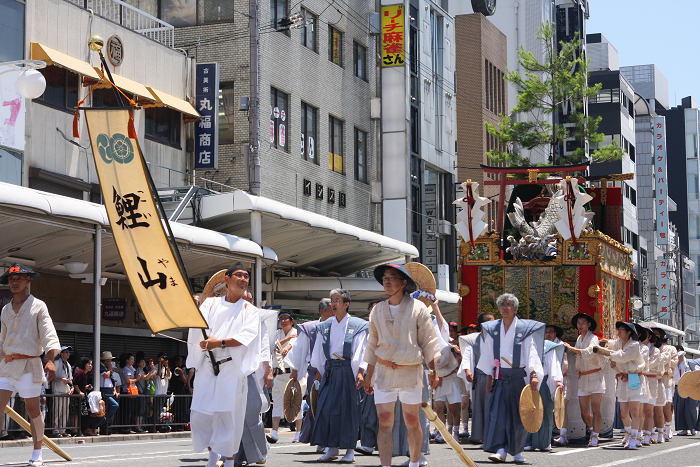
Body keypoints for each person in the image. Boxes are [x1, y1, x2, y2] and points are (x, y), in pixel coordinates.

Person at [364, 263, 441, 467]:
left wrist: (433, 371)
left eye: (392, 277)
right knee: (384, 423)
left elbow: (429, 342)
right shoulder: (377, 310)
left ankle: (415, 463)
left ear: (403, 283)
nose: (387, 281)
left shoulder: (418, 309)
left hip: (410, 371)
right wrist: (368, 375)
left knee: (412, 421)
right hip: (383, 372)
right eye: (385, 278)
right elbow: (372, 344)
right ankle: (386, 465)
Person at [187, 262, 261, 467]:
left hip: (231, 367)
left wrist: (217, 342)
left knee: (228, 416)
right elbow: (197, 328)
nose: (244, 279)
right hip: (208, 366)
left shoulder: (250, 310)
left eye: (246, 276)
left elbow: (246, 337)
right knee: (201, 414)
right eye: (239, 275)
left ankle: (228, 461)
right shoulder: (210, 304)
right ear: (226, 280)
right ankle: (212, 455)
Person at [0, 263, 61, 466]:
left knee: (33, 410)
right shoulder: (5, 309)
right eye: (11, 279)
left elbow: (48, 334)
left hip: (29, 364)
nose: (14, 282)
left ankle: (37, 453)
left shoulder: (38, 306)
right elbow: (2, 341)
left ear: (28, 281)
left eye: (19, 279)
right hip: (7, 364)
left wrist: (51, 360)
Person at [477, 294, 544, 464]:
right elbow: (488, 356)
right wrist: (489, 380)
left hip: (518, 379)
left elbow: (531, 354)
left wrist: (534, 375)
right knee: (498, 415)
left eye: (509, 305)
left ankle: (517, 450)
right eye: (502, 305)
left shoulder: (524, 329)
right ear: (499, 308)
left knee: (518, 416)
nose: (505, 307)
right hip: (500, 377)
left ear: (515, 309)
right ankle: (500, 450)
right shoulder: (493, 330)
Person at [310, 289, 368, 463]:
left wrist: (360, 372)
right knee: (326, 409)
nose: (333, 304)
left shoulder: (358, 325)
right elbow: (319, 352)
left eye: (337, 300)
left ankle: (350, 450)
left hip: (347, 369)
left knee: (348, 411)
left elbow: (361, 349)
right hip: (330, 370)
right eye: (332, 301)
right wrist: (319, 372)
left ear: (346, 304)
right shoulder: (325, 326)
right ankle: (332, 448)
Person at [286, 298, 334, 449]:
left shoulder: (340, 326)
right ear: (322, 311)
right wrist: (295, 372)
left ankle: (331, 440)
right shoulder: (310, 327)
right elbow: (300, 352)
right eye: (331, 309)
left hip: (336, 370)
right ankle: (320, 439)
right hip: (315, 373)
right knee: (316, 406)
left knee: (333, 407)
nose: (334, 312)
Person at [234, 290, 273, 466]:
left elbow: (265, 345)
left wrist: (268, 370)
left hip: (252, 371)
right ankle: (236, 455)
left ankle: (260, 451)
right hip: (232, 370)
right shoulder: (230, 316)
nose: (246, 302)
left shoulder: (258, 317)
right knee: (234, 416)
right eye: (243, 299)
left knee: (250, 413)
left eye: (249, 299)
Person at [595, 322, 646, 450]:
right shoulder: (617, 343)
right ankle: (629, 433)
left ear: (629, 332)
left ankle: (635, 438)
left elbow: (623, 357)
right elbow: (610, 343)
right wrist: (603, 341)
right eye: (619, 329)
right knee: (623, 412)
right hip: (623, 377)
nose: (619, 331)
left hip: (635, 377)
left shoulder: (634, 345)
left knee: (634, 410)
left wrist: (604, 351)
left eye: (622, 329)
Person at [562, 313, 605, 447]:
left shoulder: (593, 338)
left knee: (595, 408)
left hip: (595, 375)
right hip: (583, 376)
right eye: (579, 323)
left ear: (589, 324)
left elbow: (589, 352)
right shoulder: (580, 338)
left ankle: (595, 436)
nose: (580, 325)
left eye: (583, 322)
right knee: (584, 412)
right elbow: (578, 353)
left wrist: (571, 348)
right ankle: (593, 431)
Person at [460, 312, 495, 445]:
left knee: (494, 407)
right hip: (481, 377)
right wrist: (468, 370)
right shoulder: (474, 339)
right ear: (483, 324)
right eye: (491, 321)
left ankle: (493, 436)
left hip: (496, 376)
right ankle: (479, 435)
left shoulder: (497, 338)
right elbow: (468, 355)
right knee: (480, 406)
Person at [525, 338, 564, 452]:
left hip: (544, 382)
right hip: (529, 380)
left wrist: (557, 380)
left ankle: (545, 442)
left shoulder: (549, 347)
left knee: (545, 411)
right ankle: (529, 441)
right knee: (529, 411)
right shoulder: (527, 343)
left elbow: (554, 364)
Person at [268, 310, 300, 443]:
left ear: (292, 321)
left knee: (295, 402)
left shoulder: (297, 332)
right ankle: (274, 432)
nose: (283, 320)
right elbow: (273, 346)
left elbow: (295, 344)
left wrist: (288, 345)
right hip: (279, 374)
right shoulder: (277, 333)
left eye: (286, 318)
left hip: (293, 373)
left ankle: (299, 432)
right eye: (281, 318)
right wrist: (286, 340)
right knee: (277, 402)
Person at [653, 327, 678, 441]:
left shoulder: (670, 348)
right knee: (654, 408)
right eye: (653, 334)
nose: (655, 335)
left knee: (666, 408)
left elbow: (673, 362)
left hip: (666, 380)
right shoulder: (651, 348)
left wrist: (663, 363)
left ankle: (668, 427)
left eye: (657, 334)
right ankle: (657, 429)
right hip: (653, 380)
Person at [73, 358, 104, 436]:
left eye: (91, 364)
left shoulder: (84, 374)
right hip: (77, 397)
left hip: (82, 396)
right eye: (89, 364)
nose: (90, 366)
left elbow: (81, 385)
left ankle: (79, 430)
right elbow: (75, 383)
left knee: (80, 413)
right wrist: (80, 392)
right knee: (76, 413)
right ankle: (75, 430)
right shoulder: (79, 372)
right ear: (84, 364)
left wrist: (86, 387)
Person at [673, 346, 697, 435]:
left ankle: (693, 427)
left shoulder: (689, 362)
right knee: (680, 408)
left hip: (690, 387)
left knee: (690, 408)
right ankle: (684, 429)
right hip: (678, 387)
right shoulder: (673, 363)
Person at [51, 346, 74, 437]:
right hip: (58, 390)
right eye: (66, 352)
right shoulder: (56, 363)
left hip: (66, 391)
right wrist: (61, 379)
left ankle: (62, 430)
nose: (68, 354)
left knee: (65, 412)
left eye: (69, 352)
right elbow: (51, 377)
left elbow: (71, 379)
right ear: (61, 353)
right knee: (57, 411)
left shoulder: (68, 365)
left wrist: (71, 388)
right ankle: (55, 430)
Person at [99, 351, 120, 433]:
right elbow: (106, 375)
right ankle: (105, 422)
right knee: (114, 405)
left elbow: (112, 380)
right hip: (104, 389)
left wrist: (115, 390)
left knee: (109, 408)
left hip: (110, 389)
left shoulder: (108, 369)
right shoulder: (101, 367)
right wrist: (110, 369)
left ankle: (106, 425)